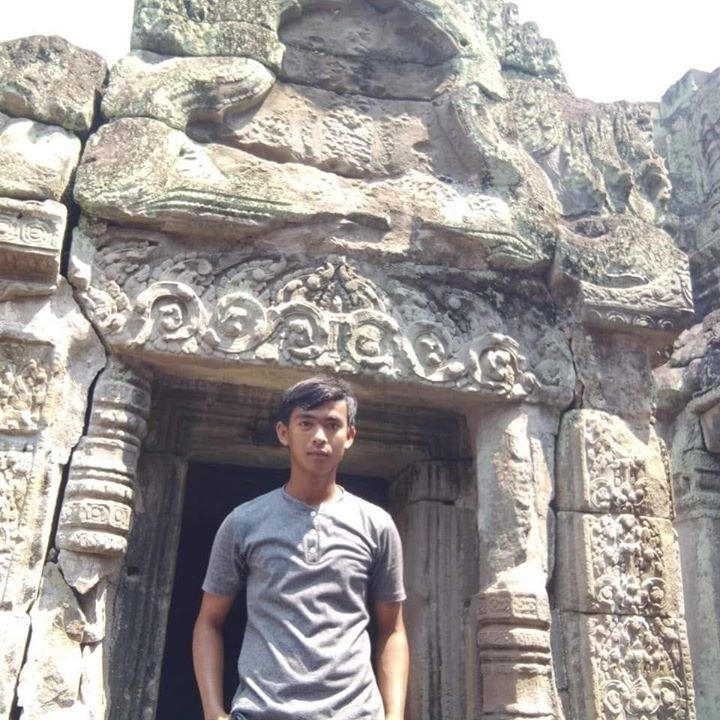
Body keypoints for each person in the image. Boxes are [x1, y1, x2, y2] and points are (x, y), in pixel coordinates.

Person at [192, 376, 409, 720]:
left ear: (350, 436)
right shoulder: (244, 522)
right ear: (284, 433)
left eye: (332, 425)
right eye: (306, 424)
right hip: (262, 711)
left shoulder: (377, 525)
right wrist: (212, 711)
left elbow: (392, 629)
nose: (319, 437)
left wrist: (394, 716)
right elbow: (209, 621)